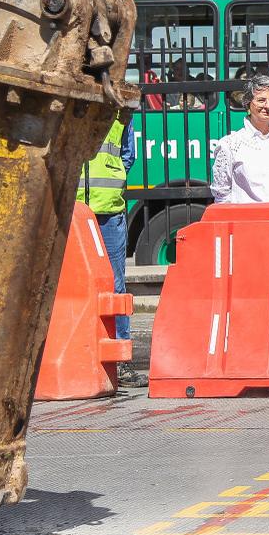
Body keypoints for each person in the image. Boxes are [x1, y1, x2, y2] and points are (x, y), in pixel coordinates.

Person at [77, 112, 145, 388]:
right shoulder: (72, 105)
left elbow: (127, 155)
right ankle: (78, 355)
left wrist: (113, 178)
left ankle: (119, 363)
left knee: (115, 287)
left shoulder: (121, 114)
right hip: (74, 208)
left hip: (109, 210)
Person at [211, 75, 269, 203]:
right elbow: (222, 196)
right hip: (247, 221)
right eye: (261, 100)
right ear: (248, 103)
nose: (268, 106)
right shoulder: (229, 145)